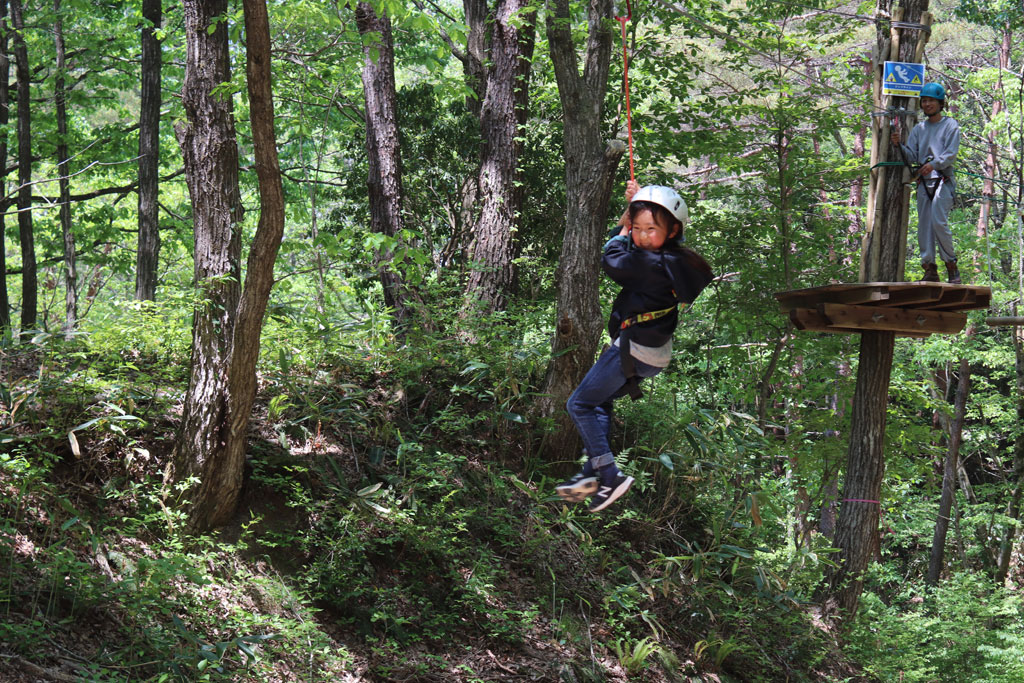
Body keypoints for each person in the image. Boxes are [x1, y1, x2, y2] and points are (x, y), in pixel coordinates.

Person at [555, 181, 714, 512]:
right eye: (638, 229)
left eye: (650, 229)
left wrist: (625, 222)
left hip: (632, 349)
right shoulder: (673, 261)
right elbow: (628, 250)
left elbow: (613, 258)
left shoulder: (651, 265)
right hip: (651, 354)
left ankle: (609, 475)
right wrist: (634, 211)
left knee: (579, 404)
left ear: (672, 230)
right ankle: (591, 473)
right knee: (599, 403)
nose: (642, 236)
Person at [891, 82, 962, 284]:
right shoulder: (919, 129)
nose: (927, 104)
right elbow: (913, 156)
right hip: (924, 182)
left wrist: (934, 165)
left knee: (938, 222)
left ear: (941, 103)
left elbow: (950, 154)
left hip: (942, 180)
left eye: (931, 100)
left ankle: (951, 264)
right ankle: (929, 267)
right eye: (924, 101)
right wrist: (899, 145)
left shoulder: (950, 125)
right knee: (924, 226)